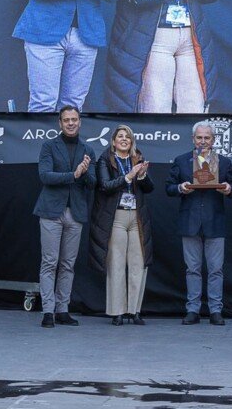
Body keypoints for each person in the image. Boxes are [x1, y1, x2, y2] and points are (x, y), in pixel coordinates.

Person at [165, 121, 232, 325]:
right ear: (193, 139)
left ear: (214, 140)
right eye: (199, 137)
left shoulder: (223, 162)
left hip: (215, 221)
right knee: (192, 269)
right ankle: (193, 310)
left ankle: (216, 310)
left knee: (216, 269)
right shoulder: (182, 161)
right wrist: (180, 187)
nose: (203, 141)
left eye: (207, 138)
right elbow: (168, 187)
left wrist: (228, 189)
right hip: (189, 221)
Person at [33, 105, 96, 328]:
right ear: (60, 123)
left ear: (80, 122)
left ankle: (63, 309)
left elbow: (92, 184)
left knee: (68, 264)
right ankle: (48, 311)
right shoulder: (49, 146)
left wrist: (86, 172)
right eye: (66, 119)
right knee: (49, 262)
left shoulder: (88, 149)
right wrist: (74, 174)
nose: (70, 123)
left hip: (75, 213)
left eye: (74, 119)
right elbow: (45, 176)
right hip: (51, 212)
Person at [89, 125, 154, 326]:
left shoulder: (138, 158)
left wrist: (142, 175)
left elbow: (149, 188)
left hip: (136, 217)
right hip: (115, 216)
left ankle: (134, 311)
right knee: (116, 264)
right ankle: (117, 312)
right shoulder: (105, 159)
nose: (124, 139)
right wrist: (128, 176)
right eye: (120, 136)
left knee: (138, 263)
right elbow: (105, 186)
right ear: (114, 141)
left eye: (128, 137)